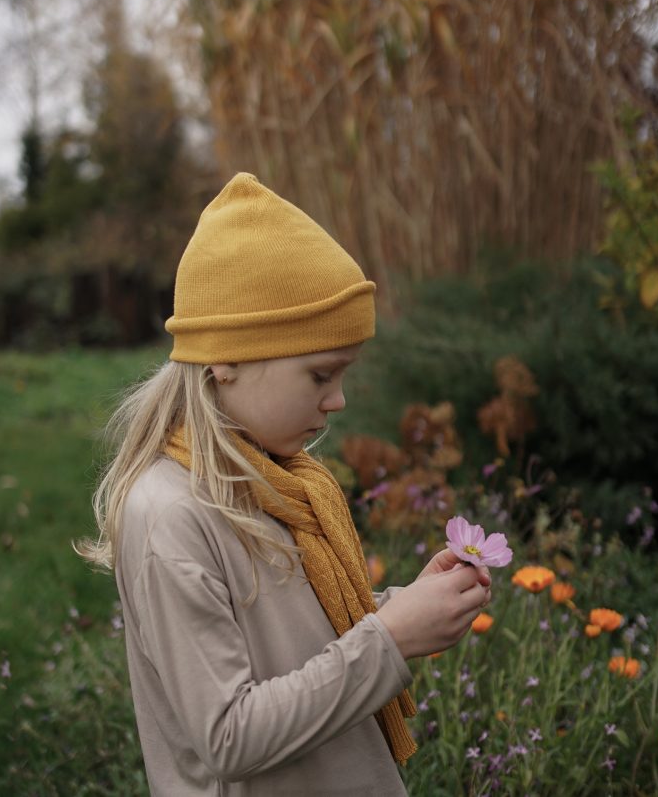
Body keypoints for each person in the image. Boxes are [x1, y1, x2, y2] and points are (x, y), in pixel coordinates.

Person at [77, 173, 491, 796]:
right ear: (227, 360)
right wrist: (391, 639)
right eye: (320, 375)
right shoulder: (170, 517)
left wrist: (401, 610)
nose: (340, 400)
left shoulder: (279, 482)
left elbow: (300, 650)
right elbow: (228, 735)